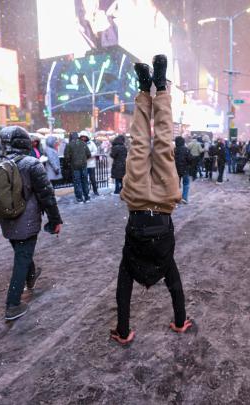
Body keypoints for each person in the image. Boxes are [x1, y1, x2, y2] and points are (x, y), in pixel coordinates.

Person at [113, 55, 192, 345]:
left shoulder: (161, 262)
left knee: (161, 142)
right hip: (138, 203)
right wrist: (124, 331)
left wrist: (181, 321)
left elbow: (175, 288)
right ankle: (146, 88)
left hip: (162, 202)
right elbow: (126, 294)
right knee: (140, 142)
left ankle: (159, 85)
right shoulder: (136, 265)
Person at [0, 126, 63, 321]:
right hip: (27, 221)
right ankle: (12, 304)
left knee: (22, 252)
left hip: (7, 220)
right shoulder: (32, 164)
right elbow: (46, 195)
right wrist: (55, 220)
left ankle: (31, 276)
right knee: (22, 257)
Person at [64, 131, 92, 203]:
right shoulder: (83, 143)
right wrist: (83, 159)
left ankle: (79, 198)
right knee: (85, 181)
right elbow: (89, 154)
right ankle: (87, 197)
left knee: (77, 183)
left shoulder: (69, 145)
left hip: (75, 167)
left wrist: (70, 162)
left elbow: (66, 157)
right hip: (83, 166)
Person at [81, 131, 100, 196]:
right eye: (82, 137)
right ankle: (86, 191)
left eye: (84, 137)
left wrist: (89, 155)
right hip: (83, 164)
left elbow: (95, 151)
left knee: (92, 179)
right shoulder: (80, 144)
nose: (83, 138)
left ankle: (95, 191)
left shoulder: (91, 143)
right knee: (85, 179)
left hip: (91, 164)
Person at [174, 135, 192, 203]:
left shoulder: (174, 149)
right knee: (186, 184)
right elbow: (190, 159)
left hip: (176, 170)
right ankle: (184, 198)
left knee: (176, 185)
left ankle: (176, 197)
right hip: (185, 170)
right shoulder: (186, 149)